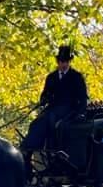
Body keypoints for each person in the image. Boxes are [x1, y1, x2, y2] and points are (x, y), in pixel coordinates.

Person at [21, 45, 89, 174]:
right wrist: (44, 99)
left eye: (66, 62)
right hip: (52, 109)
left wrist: (81, 113)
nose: (63, 64)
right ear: (57, 62)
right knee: (36, 123)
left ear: (69, 62)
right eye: (61, 62)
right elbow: (45, 93)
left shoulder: (76, 77)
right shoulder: (51, 77)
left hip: (69, 109)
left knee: (53, 121)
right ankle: (28, 151)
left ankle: (54, 152)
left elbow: (83, 98)